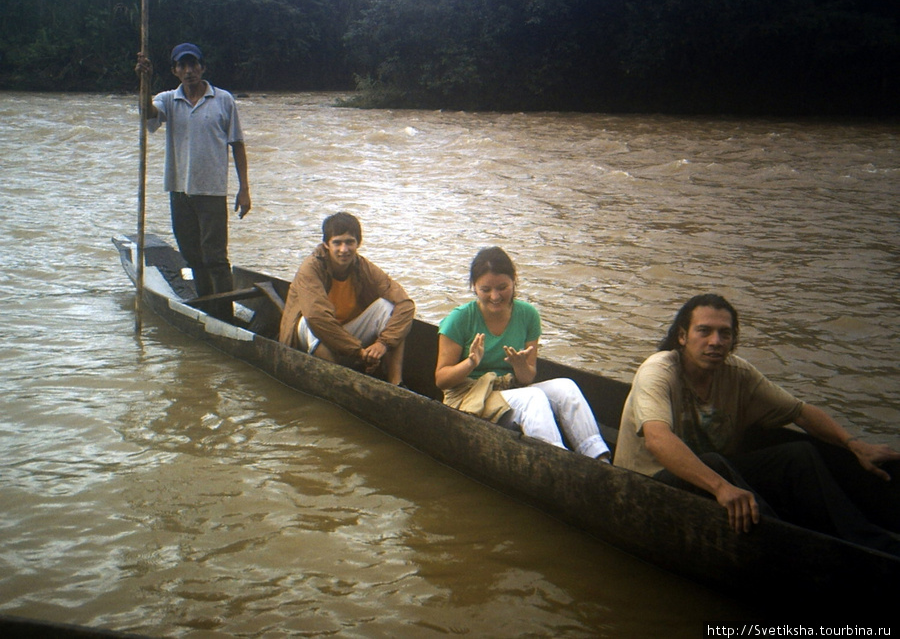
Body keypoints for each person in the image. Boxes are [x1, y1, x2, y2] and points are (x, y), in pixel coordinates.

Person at [614, 293, 900, 554]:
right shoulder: (659, 370)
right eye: (704, 331)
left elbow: (800, 412)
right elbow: (657, 438)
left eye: (724, 334)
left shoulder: (737, 374)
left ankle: (874, 546)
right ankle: (785, 544)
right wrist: (722, 488)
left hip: (716, 474)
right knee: (714, 462)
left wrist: (854, 445)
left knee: (797, 455)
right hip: (648, 483)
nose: (715, 341)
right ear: (682, 336)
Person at [435, 247, 610, 460]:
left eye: (502, 287)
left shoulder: (528, 315)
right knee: (533, 397)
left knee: (566, 387)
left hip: (510, 388)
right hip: (470, 396)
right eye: (485, 289)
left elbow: (527, 378)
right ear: (474, 287)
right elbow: (442, 381)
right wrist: (471, 362)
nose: (495, 296)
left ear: (513, 282)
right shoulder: (460, 318)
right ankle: (557, 462)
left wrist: (519, 365)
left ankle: (600, 460)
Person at [135, 43, 251, 319]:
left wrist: (244, 189)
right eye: (182, 66)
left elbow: (238, 145)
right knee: (193, 256)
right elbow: (147, 114)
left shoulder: (223, 100)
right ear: (175, 71)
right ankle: (207, 307)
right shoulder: (167, 99)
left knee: (216, 259)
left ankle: (223, 315)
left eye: (193, 65)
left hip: (211, 192)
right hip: (179, 191)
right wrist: (144, 79)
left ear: (202, 67)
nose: (189, 71)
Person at [278, 212, 414, 385]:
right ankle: (341, 382)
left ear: (358, 243)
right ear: (327, 244)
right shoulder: (311, 268)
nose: (344, 250)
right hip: (318, 336)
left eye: (350, 242)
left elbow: (405, 304)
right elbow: (318, 317)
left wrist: (383, 344)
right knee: (307, 320)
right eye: (337, 242)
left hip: (348, 335)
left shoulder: (362, 266)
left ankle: (396, 383)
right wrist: (358, 352)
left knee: (389, 307)